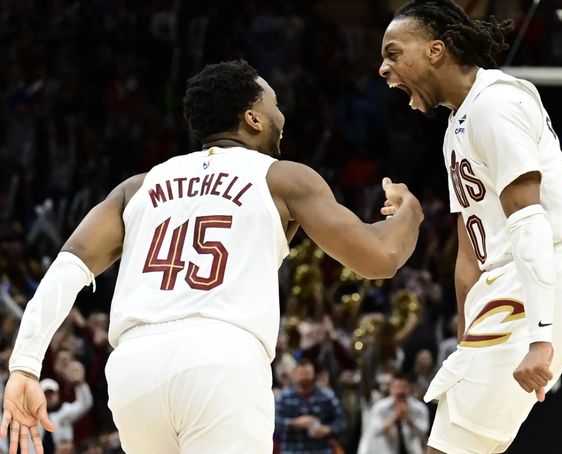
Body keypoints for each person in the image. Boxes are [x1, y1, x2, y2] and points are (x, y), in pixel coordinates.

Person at [1, 60, 424, 454]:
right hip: (221, 358)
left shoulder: (139, 186)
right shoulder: (283, 178)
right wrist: (409, 214)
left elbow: (68, 266)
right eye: (275, 105)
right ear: (253, 119)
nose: (282, 117)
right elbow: (381, 257)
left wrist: (24, 365)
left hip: (135, 367)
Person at [377, 1, 562, 452]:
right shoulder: (458, 124)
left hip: (538, 283)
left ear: (436, 50)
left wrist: (540, 337)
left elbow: (530, 222)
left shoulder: (496, 104)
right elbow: (468, 254)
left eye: (393, 53)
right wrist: (466, 340)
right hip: (505, 291)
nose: (383, 69)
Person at [274, 359, 347, 454]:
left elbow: (342, 421)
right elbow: (274, 423)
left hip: (321, 450)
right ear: (294, 375)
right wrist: (295, 423)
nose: (304, 377)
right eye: (301, 374)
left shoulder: (327, 396)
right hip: (292, 450)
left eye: (307, 374)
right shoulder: (283, 397)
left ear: (313, 374)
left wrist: (328, 429)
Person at [358, 373, 429, 454]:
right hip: (386, 450)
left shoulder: (419, 408)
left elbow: (423, 432)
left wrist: (409, 420)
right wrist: (394, 418)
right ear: (391, 388)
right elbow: (375, 431)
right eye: (397, 387)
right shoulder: (380, 407)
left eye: (404, 387)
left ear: (409, 388)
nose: (400, 391)